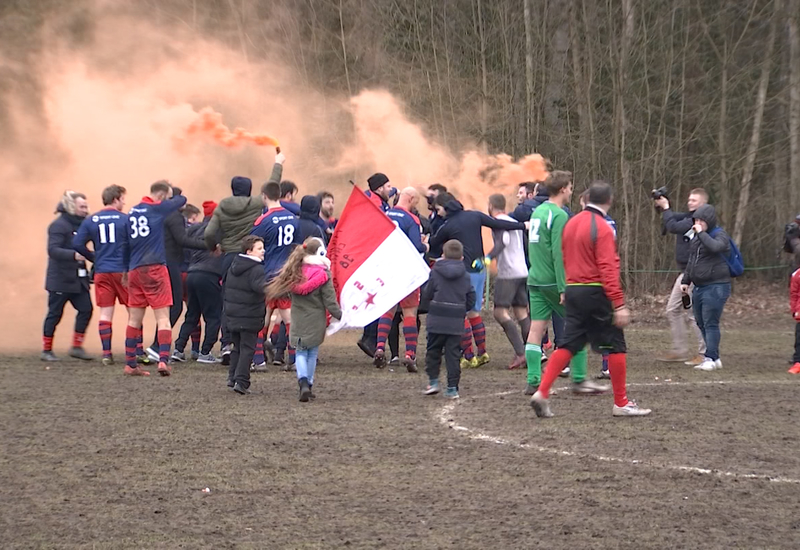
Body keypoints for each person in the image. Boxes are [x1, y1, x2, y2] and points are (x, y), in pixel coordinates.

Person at [530, 181, 651, 418]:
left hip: (573, 290)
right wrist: (618, 303)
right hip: (595, 291)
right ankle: (621, 403)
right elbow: (608, 267)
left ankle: (542, 392)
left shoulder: (571, 222)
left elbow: (563, 255)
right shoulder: (602, 227)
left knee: (569, 343)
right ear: (609, 201)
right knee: (616, 344)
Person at [524, 172, 605, 396]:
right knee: (579, 325)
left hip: (536, 279)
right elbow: (560, 254)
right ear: (562, 189)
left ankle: (532, 380)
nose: (571, 191)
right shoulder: (558, 215)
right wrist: (563, 287)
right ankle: (579, 379)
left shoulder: (537, 211)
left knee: (536, 329)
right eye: (570, 187)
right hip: (553, 280)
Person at [204, 150, 285, 364]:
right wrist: (278, 163)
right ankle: (251, 347)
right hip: (251, 258)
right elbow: (272, 185)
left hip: (229, 258)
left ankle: (226, 345)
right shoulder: (255, 204)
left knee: (228, 302)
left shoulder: (222, 207)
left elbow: (209, 233)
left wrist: (215, 247)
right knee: (253, 302)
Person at [429, 192, 526, 369]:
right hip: (480, 270)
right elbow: (499, 223)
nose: (438, 212)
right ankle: (482, 352)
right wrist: (522, 225)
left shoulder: (448, 225)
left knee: (463, 313)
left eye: (438, 209)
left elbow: (434, 242)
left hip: (464, 272)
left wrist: (433, 223)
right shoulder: (474, 215)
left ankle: (468, 355)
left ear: (444, 208)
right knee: (474, 312)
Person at [123, 181, 187, 376]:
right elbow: (181, 200)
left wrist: (126, 270)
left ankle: (130, 364)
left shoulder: (132, 211)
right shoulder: (158, 209)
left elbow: (126, 243)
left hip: (135, 269)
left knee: (134, 319)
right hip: (156, 268)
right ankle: (163, 361)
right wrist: (173, 192)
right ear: (161, 197)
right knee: (163, 318)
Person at [267, 237, 342, 401]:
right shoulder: (323, 274)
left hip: (298, 316)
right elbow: (330, 300)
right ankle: (309, 382)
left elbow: (286, 292)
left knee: (300, 350)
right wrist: (340, 315)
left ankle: (303, 383)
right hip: (316, 318)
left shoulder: (294, 271)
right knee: (312, 352)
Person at [73, 185, 135, 365]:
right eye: (123, 199)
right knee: (133, 312)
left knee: (105, 313)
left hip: (102, 271)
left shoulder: (91, 220)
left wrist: (94, 257)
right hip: (123, 272)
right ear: (116, 199)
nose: (124, 202)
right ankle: (136, 351)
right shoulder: (126, 219)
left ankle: (107, 353)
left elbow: (77, 244)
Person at [144, 195, 206, 360]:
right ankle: (157, 346)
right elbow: (182, 240)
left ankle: (156, 347)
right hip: (171, 265)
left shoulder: (157, 216)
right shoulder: (173, 216)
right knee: (175, 307)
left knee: (165, 308)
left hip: (158, 263)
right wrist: (207, 246)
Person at [374, 187, 429, 372]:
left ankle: (380, 348)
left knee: (387, 311)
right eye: (416, 202)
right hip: (407, 271)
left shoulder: (383, 215)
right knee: (409, 313)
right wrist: (426, 246)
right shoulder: (411, 219)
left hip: (387, 269)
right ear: (411, 199)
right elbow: (416, 247)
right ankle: (409, 355)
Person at [655, 188, 709, 365]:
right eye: (689, 199)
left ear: (702, 203)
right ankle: (680, 350)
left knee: (694, 314)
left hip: (694, 272)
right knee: (674, 309)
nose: (689, 202)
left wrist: (666, 208)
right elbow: (675, 218)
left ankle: (704, 353)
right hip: (686, 272)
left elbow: (673, 226)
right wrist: (664, 206)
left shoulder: (699, 220)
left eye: (693, 200)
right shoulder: (689, 217)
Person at [250, 181, 300, 370]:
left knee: (261, 316)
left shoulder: (263, 220)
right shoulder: (293, 218)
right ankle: (294, 360)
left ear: (264, 196)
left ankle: (259, 360)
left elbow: (251, 245)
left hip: (267, 274)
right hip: (286, 274)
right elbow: (298, 247)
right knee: (289, 318)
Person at [42, 191, 94, 362]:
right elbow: (53, 250)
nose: (86, 210)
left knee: (86, 309)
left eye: (86, 206)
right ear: (71, 206)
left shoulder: (83, 224)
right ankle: (46, 350)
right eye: (82, 206)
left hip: (78, 279)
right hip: (60, 279)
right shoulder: (58, 225)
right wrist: (74, 255)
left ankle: (76, 347)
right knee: (55, 314)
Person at [680, 204, 731, 372]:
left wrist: (701, 233)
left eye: (701, 220)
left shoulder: (720, 235)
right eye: (696, 220)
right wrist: (686, 281)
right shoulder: (696, 239)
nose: (698, 223)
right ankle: (714, 357)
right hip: (699, 286)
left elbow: (716, 247)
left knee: (710, 323)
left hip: (716, 285)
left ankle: (709, 357)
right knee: (701, 322)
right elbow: (692, 261)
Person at [481, 194, 530, 370]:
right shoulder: (513, 221)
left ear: (491, 205)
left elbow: (503, 241)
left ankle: (520, 353)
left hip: (508, 273)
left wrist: (488, 258)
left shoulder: (498, 222)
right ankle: (533, 352)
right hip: (522, 271)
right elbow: (523, 243)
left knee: (500, 313)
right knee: (521, 312)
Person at [422, 239, 476, 399]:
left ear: (443, 255)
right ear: (461, 258)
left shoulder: (435, 272)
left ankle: (433, 382)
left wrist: (428, 305)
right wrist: (461, 309)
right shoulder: (465, 276)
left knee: (433, 351)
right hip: (455, 322)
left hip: (436, 319)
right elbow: (471, 298)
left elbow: (427, 293)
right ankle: (452, 388)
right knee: (453, 355)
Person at [172, 201, 223, 364]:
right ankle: (205, 351)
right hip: (209, 275)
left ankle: (179, 349)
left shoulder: (193, 228)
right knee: (214, 316)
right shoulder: (219, 230)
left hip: (192, 274)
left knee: (192, 315)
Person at [356, 173, 395, 358]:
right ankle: (369, 338)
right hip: (373, 258)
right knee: (375, 299)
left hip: (370, 257)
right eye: (388, 186)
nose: (391, 189)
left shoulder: (371, 196)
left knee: (374, 298)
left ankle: (369, 337)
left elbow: (390, 192)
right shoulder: (377, 205)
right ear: (379, 189)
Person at [224, 235, 267, 394]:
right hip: (249, 315)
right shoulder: (256, 269)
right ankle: (242, 381)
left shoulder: (234, 265)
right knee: (248, 348)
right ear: (249, 251)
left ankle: (232, 377)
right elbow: (260, 288)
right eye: (259, 249)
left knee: (237, 348)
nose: (263, 251)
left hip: (233, 313)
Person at [789, 265, 800, 374]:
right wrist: (794, 310)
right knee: (799, 338)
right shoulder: (797, 274)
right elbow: (794, 294)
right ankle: (798, 362)